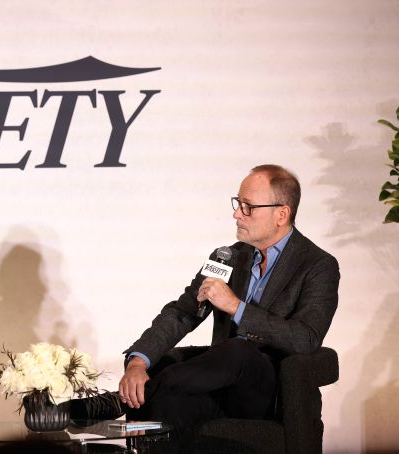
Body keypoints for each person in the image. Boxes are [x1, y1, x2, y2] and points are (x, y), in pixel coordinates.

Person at [118, 164, 339, 448]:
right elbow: (182, 312)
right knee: (166, 409)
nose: (237, 213)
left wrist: (236, 307)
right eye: (238, 203)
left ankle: (127, 397)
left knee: (239, 349)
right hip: (215, 385)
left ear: (281, 214)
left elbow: (306, 338)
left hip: (266, 391)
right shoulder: (227, 258)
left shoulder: (317, 265)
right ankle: (143, 393)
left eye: (248, 207)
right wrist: (138, 362)